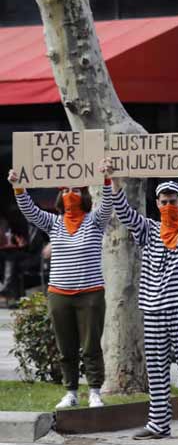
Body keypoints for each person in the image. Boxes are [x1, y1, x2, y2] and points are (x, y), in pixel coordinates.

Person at [110, 157, 178, 441]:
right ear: (157, 204)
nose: (168, 205)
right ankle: (158, 425)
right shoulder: (148, 230)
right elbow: (124, 212)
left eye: (173, 201)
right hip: (153, 310)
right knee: (156, 370)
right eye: (163, 201)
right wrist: (113, 179)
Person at [9, 160, 113, 409]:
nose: (70, 194)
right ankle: (71, 391)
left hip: (90, 294)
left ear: (84, 194)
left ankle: (95, 391)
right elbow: (30, 212)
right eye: (65, 190)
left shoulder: (95, 222)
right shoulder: (53, 224)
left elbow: (108, 205)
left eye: (75, 190)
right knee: (65, 347)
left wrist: (107, 179)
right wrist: (18, 188)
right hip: (60, 295)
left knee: (91, 346)